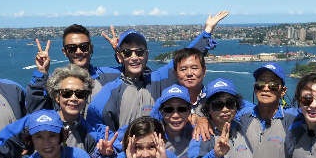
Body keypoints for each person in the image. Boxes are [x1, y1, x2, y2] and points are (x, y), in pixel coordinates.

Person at [86, 11, 229, 133]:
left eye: (139, 52)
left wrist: (206, 32)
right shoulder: (111, 88)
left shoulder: (157, 79)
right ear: (119, 56)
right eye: (127, 53)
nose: (134, 57)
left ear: (146, 55)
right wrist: (115, 145)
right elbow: (93, 122)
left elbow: (183, 61)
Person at [27, 24, 121, 111]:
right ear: (64, 52)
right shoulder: (55, 83)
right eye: (72, 48)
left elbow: (132, 75)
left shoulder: (109, 76)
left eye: (84, 47)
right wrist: (42, 71)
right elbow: (35, 109)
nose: (78, 51)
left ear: (91, 48)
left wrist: (121, 52)